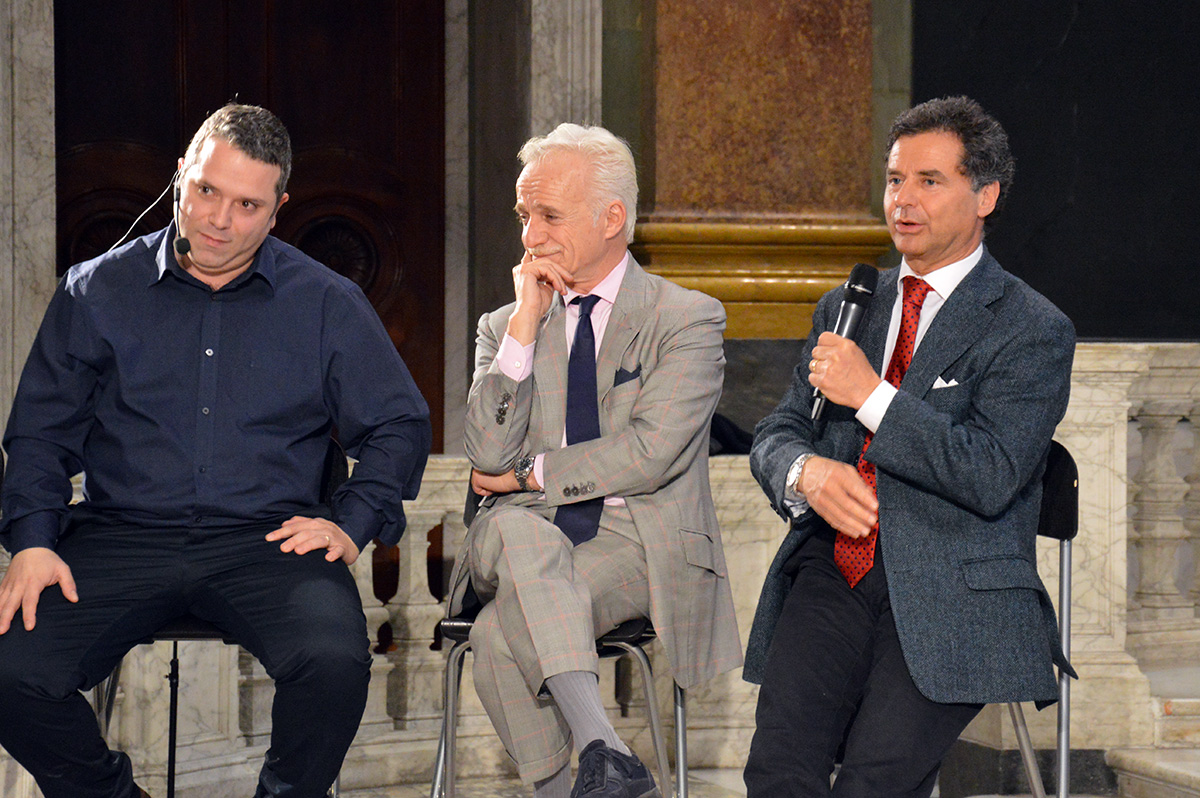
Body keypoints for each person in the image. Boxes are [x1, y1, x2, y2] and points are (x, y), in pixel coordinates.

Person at [0, 104, 432, 798]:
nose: (218, 220)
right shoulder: (96, 290)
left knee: (333, 664)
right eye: (205, 190)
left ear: (278, 210)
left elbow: (399, 424)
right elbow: (39, 433)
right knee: (11, 672)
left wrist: (351, 523)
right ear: (181, 176)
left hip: (269, 544)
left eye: (246, 205)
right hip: (121, 535)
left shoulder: (327, 302)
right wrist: (31, 541)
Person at [742, 96, 1076, 797]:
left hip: (956, 589)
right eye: (895, 180)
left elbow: (992, 472)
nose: (903, 200)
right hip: (835, 568)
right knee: (778, 772)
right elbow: (778, 431)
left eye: (929, 181)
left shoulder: (1030, 327)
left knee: (873, 784)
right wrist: (804, 471)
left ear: (985, 195)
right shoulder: (848, 305)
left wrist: (871, 395)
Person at [447, 123, 741, 798]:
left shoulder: (685, 319)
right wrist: (525, 326)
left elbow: (650, 452)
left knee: (496, 638)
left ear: (612, 219)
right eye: (524, 216)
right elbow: (484, 453)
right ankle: (605, 749)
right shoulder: (503, 325)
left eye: (549, 216)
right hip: (516, 534)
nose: (531, 236)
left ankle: (590, 780)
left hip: (634, 539)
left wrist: (529, 473)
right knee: (518, 532)